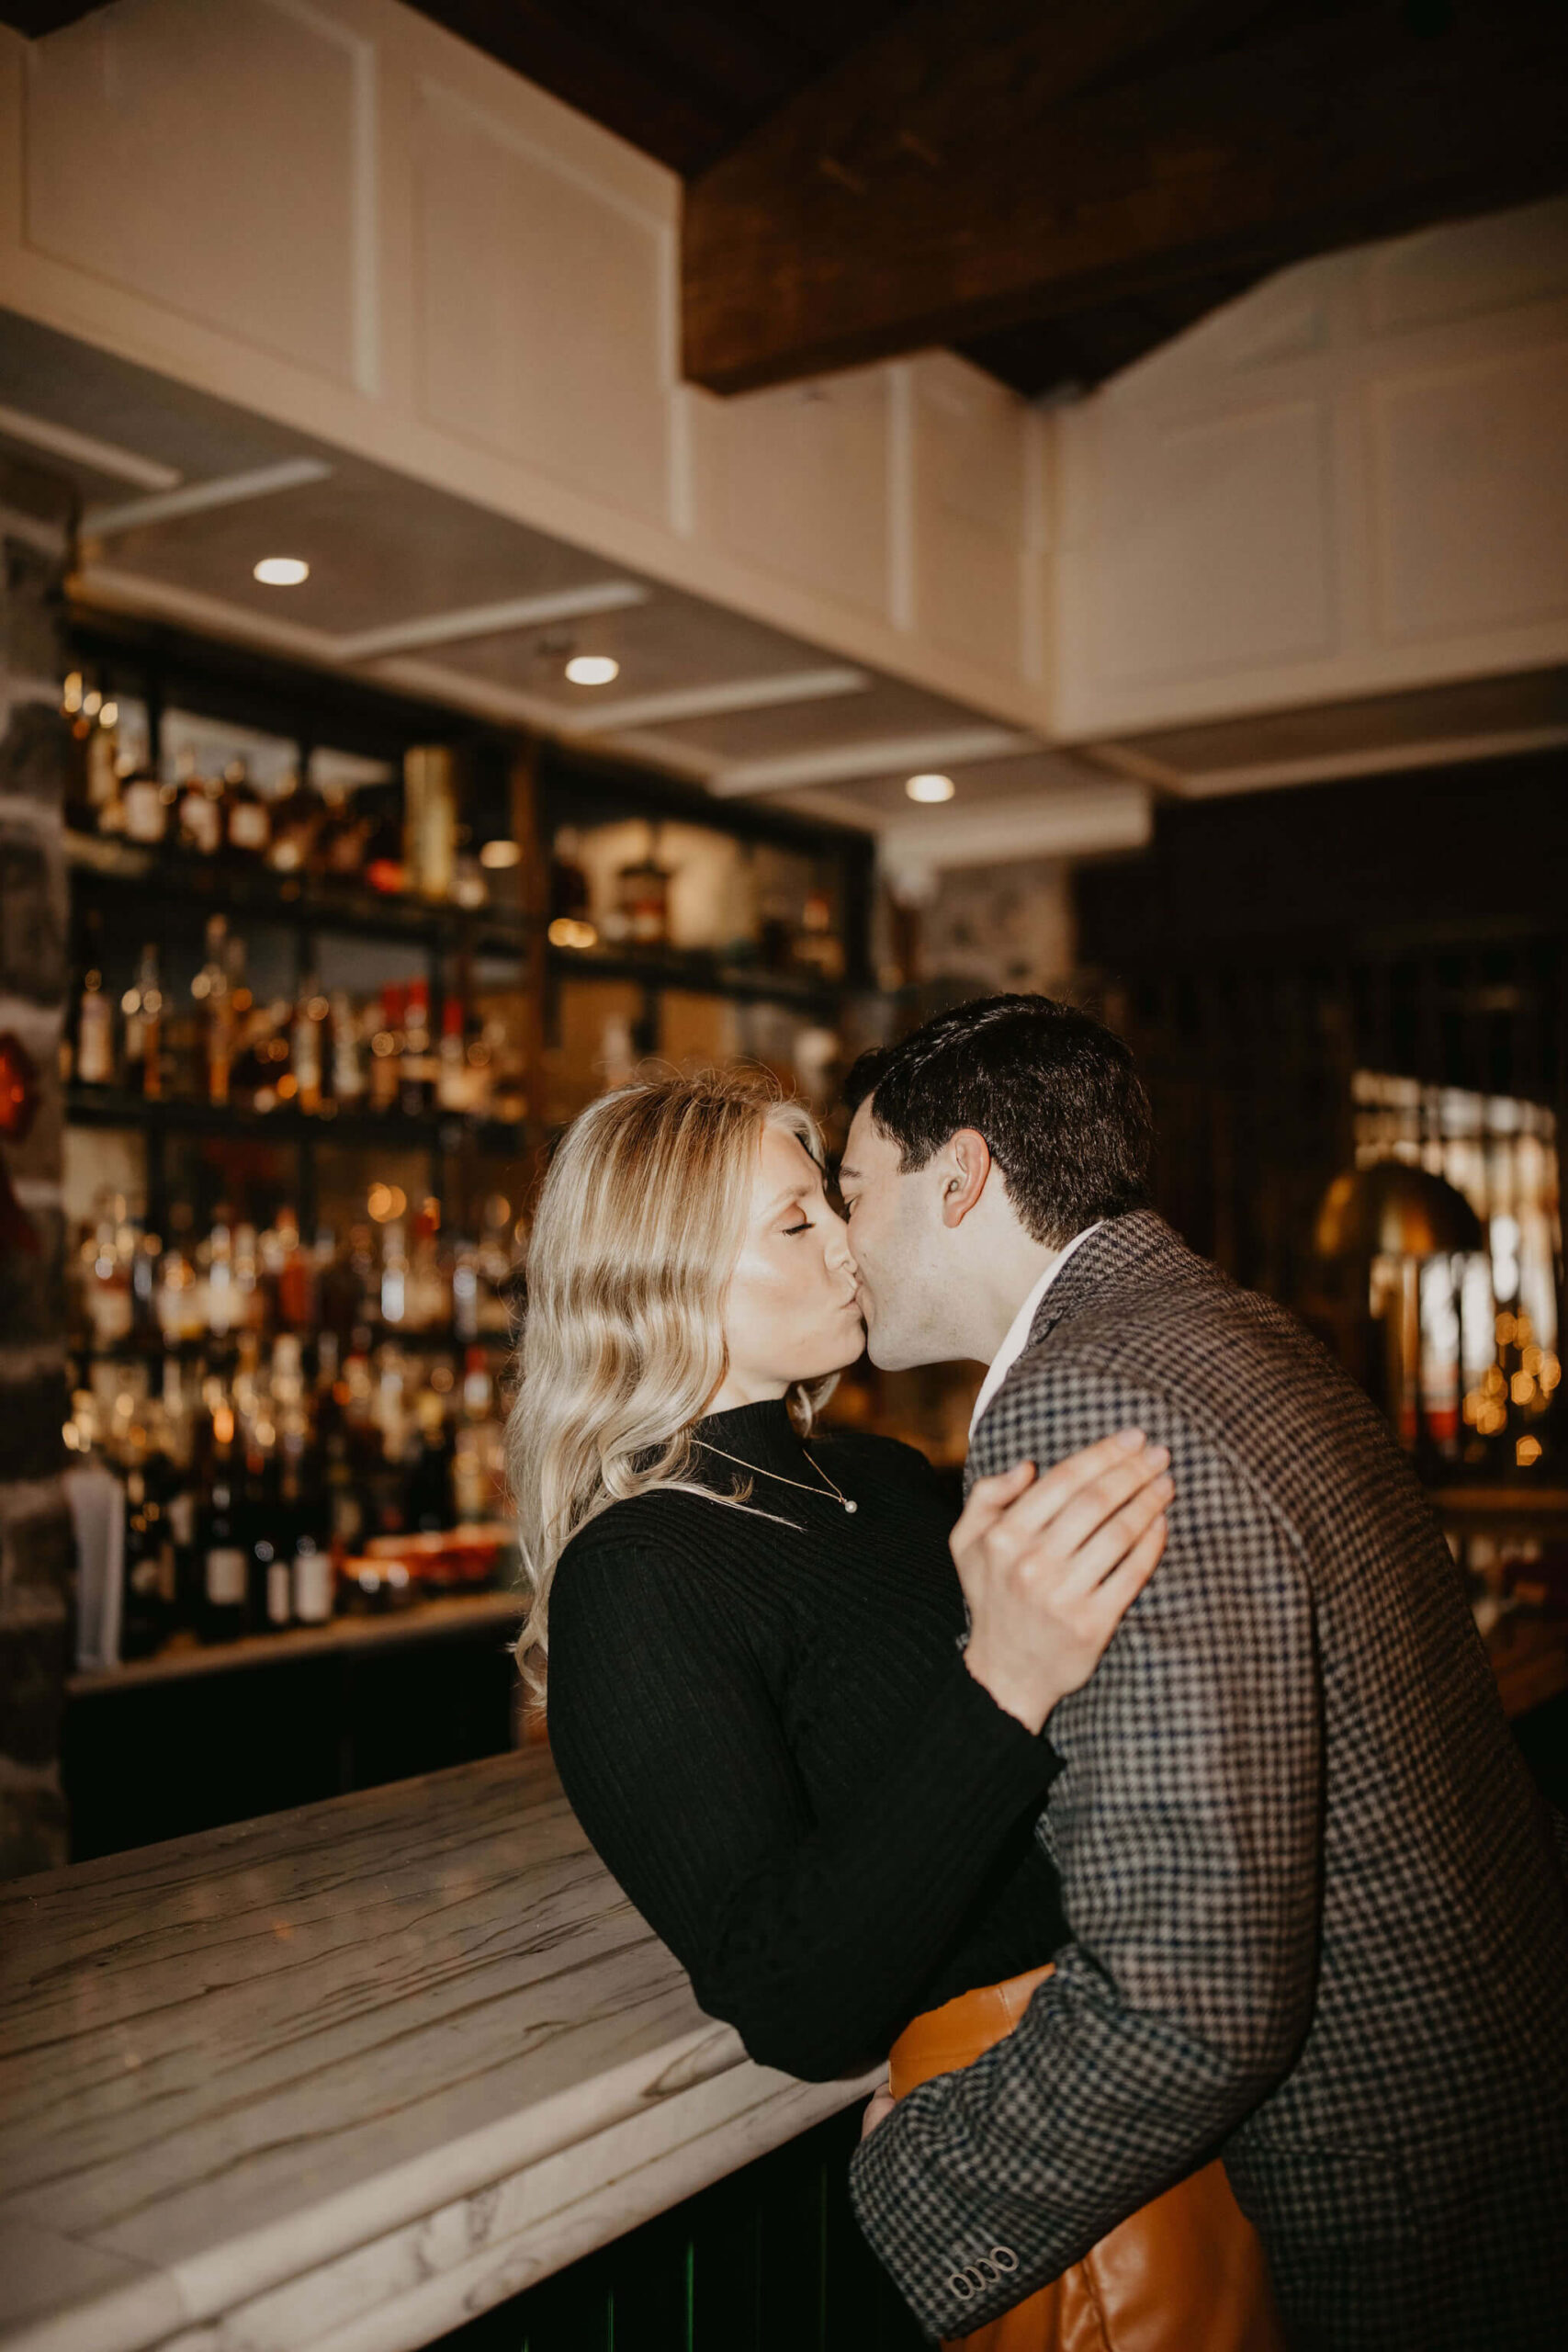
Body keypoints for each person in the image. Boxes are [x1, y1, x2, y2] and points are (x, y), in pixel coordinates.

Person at [840, 992, 1568, 2352]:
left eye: (849, 1188)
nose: (836, 1240)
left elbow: (1195, 1996)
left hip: (1395, 2177)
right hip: (1489, 2081)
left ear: (960, 1180)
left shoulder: (1084, 1394)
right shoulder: (1226, 1327)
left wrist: (917, 2175)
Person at [509, 1072, 1168, 2099]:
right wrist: (1000, 1685)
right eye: (793, 1221)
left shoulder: (885, 1475)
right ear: (663, 1273)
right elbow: (791, 2001)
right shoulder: (637, 1574)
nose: (847, 1242)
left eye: (833, 1204)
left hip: (1152, 2027)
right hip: (1027, 2102)